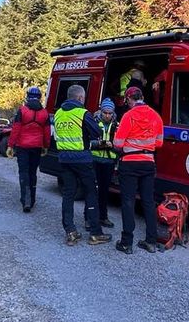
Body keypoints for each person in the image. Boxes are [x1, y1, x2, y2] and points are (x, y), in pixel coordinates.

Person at [52, 84, 111, 246]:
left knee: (68, 194)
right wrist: (96, 119)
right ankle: (95, 233)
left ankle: (70, 231)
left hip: (64, 159)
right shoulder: (82, 113)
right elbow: (97, 133)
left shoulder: (58, 113)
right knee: (91, 193)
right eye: (83, 98)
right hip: (82, 159)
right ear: (79, 98)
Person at [114, 86, 164, 254]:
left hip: (129, 163)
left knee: (128, 201)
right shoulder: (156, 116)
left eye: (126, 100)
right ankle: (151, 242)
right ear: (142, 97)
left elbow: (118, 144)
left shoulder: (128, 116)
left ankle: (126, 243)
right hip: (148, 163)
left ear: (130, 99)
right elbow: (159, 143)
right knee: (148, 202)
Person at [6, 86, 51, 212]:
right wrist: (46, 146)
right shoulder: (44, 113)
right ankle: (32, 199)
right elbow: (47, 132)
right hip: (36, 147)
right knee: (32, 173)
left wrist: (10, 145)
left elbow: (16, 129)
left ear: (28, 96)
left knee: (24, 172)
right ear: (39, 97)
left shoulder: (22, 110)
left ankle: (25, 199)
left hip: (22, 146)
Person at [87, 98, 118, 228]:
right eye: (105, 112)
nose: (107, 115)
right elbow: (87, 142)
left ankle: (103, 217)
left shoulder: (117, 125)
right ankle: (88, 219)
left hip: (109, 162)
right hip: (94, 160)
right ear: (101, 111)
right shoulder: (93, 123)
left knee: (105, 191)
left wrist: (112, 147)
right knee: (91, 191)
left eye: (110, 113)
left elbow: (120, 145)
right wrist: (103, 144)